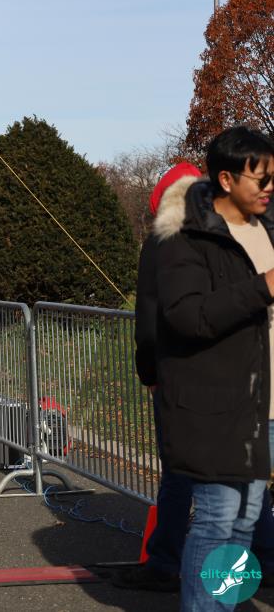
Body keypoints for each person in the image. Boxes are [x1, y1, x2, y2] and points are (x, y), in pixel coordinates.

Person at [154, 127, 274, 610]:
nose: (268, 187)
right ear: (226, 179)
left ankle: (221, 604)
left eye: (272, 177)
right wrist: (264, 287)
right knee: (218, 517)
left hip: (263, 404)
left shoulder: (267, 229)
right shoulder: (186, 236)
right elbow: (188, 316)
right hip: (214, 405)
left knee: (247, 519)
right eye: (259, 178)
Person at [115, 163, 202, 592]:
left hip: (175, 372)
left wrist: (148, 370)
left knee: (177, 470)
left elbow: (148, 315)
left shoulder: (160, 240)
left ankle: (166, 561)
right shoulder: (226, 233)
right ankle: (259, 556)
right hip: (228, 371)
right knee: (235, 475)